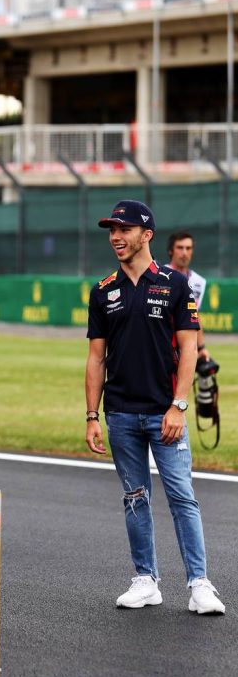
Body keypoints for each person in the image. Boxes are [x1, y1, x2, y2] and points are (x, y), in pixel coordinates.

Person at [85, 199, 225, 614]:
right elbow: (96, 357)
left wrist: (179, 406)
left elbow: (188, 351)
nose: (115, 236)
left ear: (145, 235)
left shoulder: (176, 284)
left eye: (123, 229)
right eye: (111, 230)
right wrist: (92, 416)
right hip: (121, 413)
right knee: (134, 497)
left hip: (166, 411)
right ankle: (145, 580)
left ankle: (199, 584)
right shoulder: (103, 289)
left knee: (182, 496)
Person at [167, 230, 210, 361]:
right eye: (180, 248)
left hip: (186, 345)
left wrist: (201, 347)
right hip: (163, 342)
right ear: (171, 251)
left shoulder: (199, 281)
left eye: (188, 248)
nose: (184, 252)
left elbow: (195, 316)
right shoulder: (158, 275)